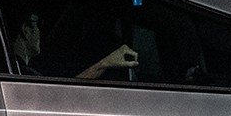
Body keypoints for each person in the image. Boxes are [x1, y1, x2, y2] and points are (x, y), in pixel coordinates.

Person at [8, 10, 138, 79]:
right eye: (38, 25)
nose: (40, 31)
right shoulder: (24, 75)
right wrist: (106, 63)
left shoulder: (16, 70)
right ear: (26, 29)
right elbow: (56, 98)